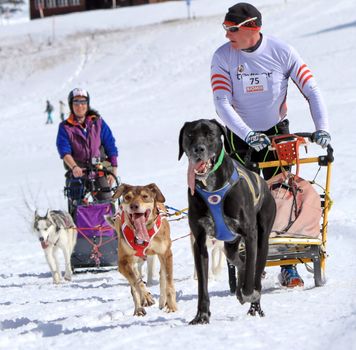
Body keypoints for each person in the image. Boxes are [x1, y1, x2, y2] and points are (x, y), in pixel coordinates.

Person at [211, 3, 331, 288]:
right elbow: (222, 102)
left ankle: (288, 266)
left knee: (280, 195)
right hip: (239, 136)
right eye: (225, 29)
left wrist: (322, 128)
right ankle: (247, 260)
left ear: (253, 28)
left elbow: (311, 90)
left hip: (276, 133)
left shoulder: (282, 51)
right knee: (241, 201)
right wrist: (247, 133)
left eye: (233, 29)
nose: (228, 35)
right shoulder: (222, 57)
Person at [56, 88, 118, 205]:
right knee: (77, 204)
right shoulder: (65, 127)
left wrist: (113, 171)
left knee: (107, 203)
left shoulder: (98, 123)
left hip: (98, 170)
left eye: (83, 102)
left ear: (87, 104)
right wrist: (74, 167)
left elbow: (110, 145)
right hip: (77, 172)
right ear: (71, 105)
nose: (80, 106)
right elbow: (64, 151)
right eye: (76, 102)